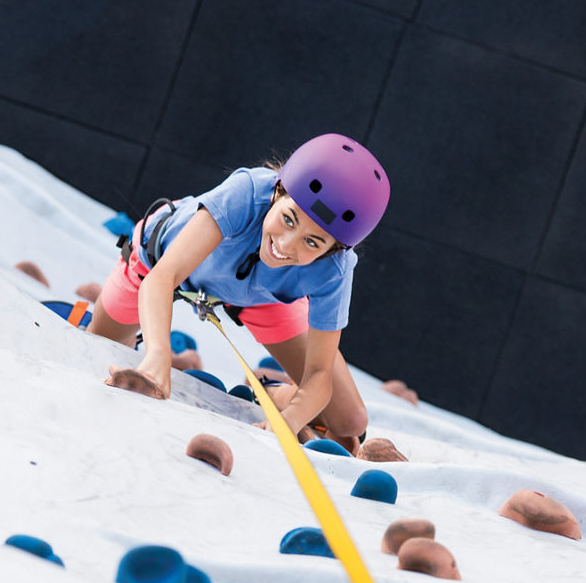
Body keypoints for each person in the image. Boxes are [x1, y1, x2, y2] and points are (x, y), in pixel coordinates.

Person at [86, 134, 389, 448]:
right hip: (155, 265)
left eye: (312, 242)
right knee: (97, 344)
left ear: (333, 251)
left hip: (257, 299)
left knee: (350, 421)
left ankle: (267, 389)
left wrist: (290, 419)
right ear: (278, 191)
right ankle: (163, 353)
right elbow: (163, 277)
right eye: (288, 219)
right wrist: (157, 360)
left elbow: (318, 374)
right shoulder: (247, 192)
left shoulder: (335, 269)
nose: (286, 245)